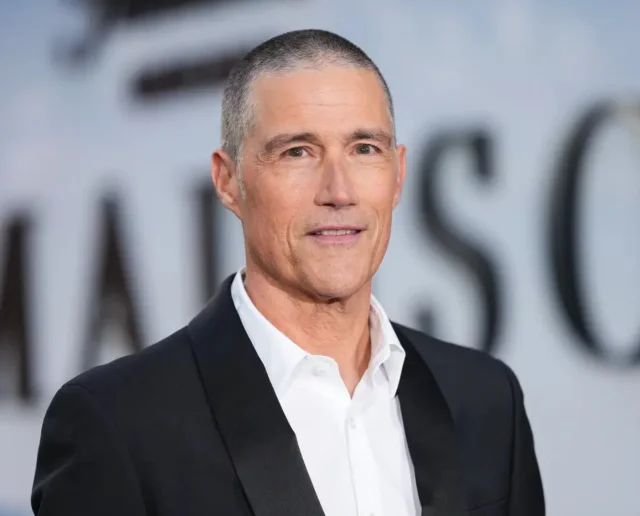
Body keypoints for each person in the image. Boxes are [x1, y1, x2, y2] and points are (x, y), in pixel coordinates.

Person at [31, 29, 544, 516]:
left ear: (398, 174)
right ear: (228, 181)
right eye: (298, 152)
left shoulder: (485, 399)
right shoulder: (117, 424)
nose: (339, 191)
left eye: (365, 149)